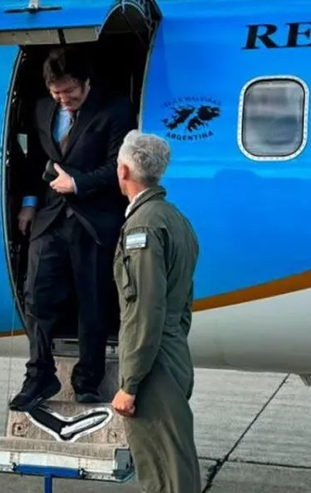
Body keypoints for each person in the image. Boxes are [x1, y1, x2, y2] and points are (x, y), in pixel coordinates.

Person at [10, 46, 135, 411]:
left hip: (93, 221)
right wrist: (29, 203)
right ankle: (39, 375)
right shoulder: (43, 108)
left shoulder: (115, 110)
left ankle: (87, 380)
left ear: (86, 82)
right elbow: (35, 160)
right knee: (36, 296)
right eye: (57, 93)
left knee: (92, 304)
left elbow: (118, 166)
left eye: (71, 92)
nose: (64, 100)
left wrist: (76, 184)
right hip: (49, 218)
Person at [110, 130, 202, 493]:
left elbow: (145, 307)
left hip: (152, 362)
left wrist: (130, 383)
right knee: (175, 459)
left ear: (123, 171)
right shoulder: (175, 219)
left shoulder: (143, 225)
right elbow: (184, 302)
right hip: (172, 352)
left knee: (162, 470)